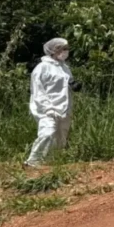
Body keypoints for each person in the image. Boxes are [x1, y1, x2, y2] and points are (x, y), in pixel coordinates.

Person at [24, 38, 73, 168]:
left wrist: (74, 85)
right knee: (47, 132)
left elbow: (66, 84)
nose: (65, 51)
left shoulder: (64, 67)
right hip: (46, 108)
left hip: (64, 106)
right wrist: (47, 107)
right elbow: (38, 90)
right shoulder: (42, 67)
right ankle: (32, 162)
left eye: (66, 48)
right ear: (53, 50)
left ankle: (52, 161)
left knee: (60, 136)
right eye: (62, 48)